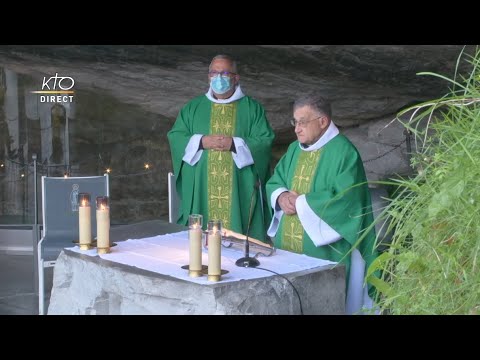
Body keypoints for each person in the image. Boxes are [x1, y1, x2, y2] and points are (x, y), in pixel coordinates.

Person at [266, 94, 378, 314]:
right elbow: (276, 180)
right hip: (287, 248)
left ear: (323, 121)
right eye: (294, 122)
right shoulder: (294, 150)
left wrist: (301, 203)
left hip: (329, 252)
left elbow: (346, 200)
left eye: (302, 122)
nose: (296, 129)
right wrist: (281, 197)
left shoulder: (344, 152)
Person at [167, 54, 275, 241]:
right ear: (208, 77)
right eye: (214, 73)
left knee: (239, 241)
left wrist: (234, 144)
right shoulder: (193, 108)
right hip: (202, 186)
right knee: (201, 243)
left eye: (224, 73)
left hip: (239, 187)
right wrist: (201, 141)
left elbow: (264, 140)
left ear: (236, 78)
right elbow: (175, 136)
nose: (218, 78)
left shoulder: (252, 109)